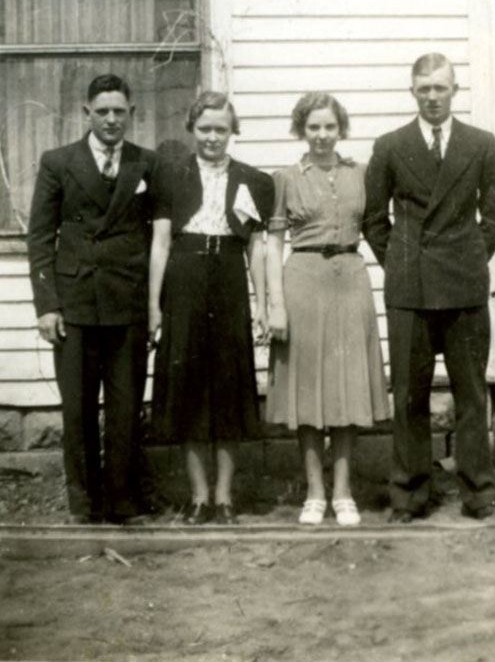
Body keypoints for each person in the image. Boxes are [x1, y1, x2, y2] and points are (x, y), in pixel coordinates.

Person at [363, 53, 495, 522]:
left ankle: (478, 491)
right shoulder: (390, 146)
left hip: (464, 290)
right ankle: (409, 495)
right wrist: (402, 264)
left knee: (471, 395)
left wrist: (468, 257)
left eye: (440, 88)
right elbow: (373, 219)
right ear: (413, 92)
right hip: (411, 291)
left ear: (454, 91)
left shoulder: (481, 144)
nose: (432, 97)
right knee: (410, 396)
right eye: (423, 88)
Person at [27, 74, 156, 524]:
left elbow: (156, 237)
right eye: (102, 111)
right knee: (78, 409)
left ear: (131, 113)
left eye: (119, 111)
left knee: (125, 406)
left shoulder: (146, 163)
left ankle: (121, 500)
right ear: (87, 113)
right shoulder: (58, 162)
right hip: (75, 304)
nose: (111, 119)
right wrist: (47, 305)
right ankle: (84, 503)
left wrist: (153, 306)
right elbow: (40, 237)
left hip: (127, 302)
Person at [149, 91, 273, 524]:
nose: (213, 137)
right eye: (204, 129)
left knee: (228, 385)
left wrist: (262, 304)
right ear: (192, 129)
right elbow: (160, 244)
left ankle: (224, 496)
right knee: (188, 387)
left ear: (232, 131)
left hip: (229, 281)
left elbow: (256, 248)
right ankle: (199, 495)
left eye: (221, 129)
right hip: (183, 279)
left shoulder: (252, 180)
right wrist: (154, 306)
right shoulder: (171, 176)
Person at [265, 92, 390, 526]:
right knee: (307, 391)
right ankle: (314, 492)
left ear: (341, 129)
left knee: (346, 388)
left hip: (350, 279)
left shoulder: (360, 175)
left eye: (329, 127)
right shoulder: (285, 178)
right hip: (303, 281)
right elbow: (273, 245)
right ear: (302, 129)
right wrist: (275, 304)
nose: (322, 135)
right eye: (313, 127)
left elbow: (378, 227)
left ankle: (343, 492)